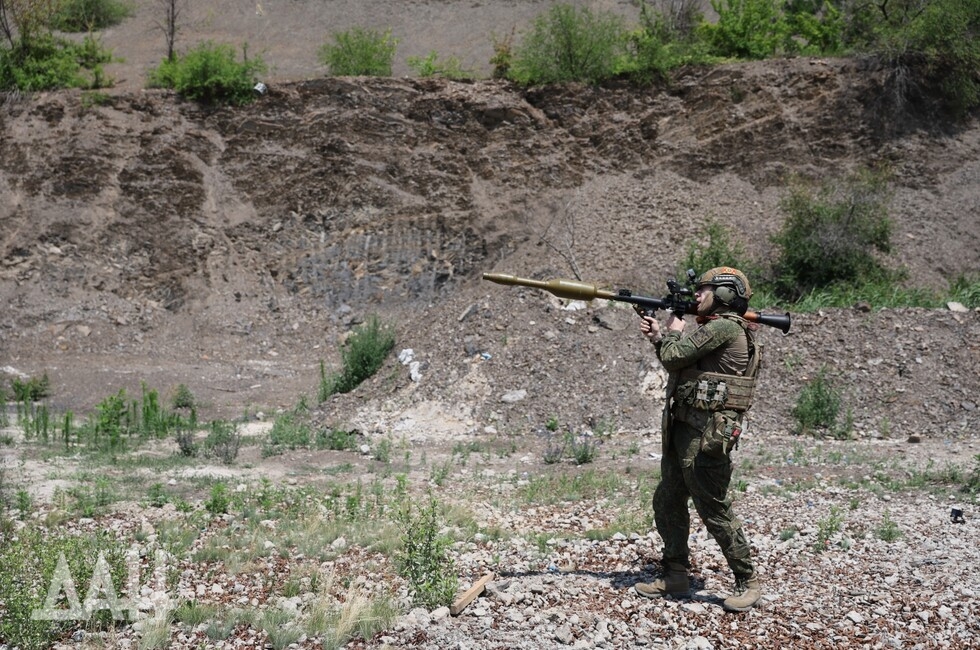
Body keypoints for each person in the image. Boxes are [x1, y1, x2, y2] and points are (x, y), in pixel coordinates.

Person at [634, 266, 762, 613]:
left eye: (704, 289)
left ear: (725, 294)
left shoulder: (723, 327)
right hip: (687, 429)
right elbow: (677, 363)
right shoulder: (717, 327)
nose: (697, 295)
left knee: (713, 508)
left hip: (706, 436)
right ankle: (675, 574)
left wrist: (672, 331)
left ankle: (748, 580)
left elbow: (675, 356)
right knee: (668, 499)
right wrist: (659, 337)